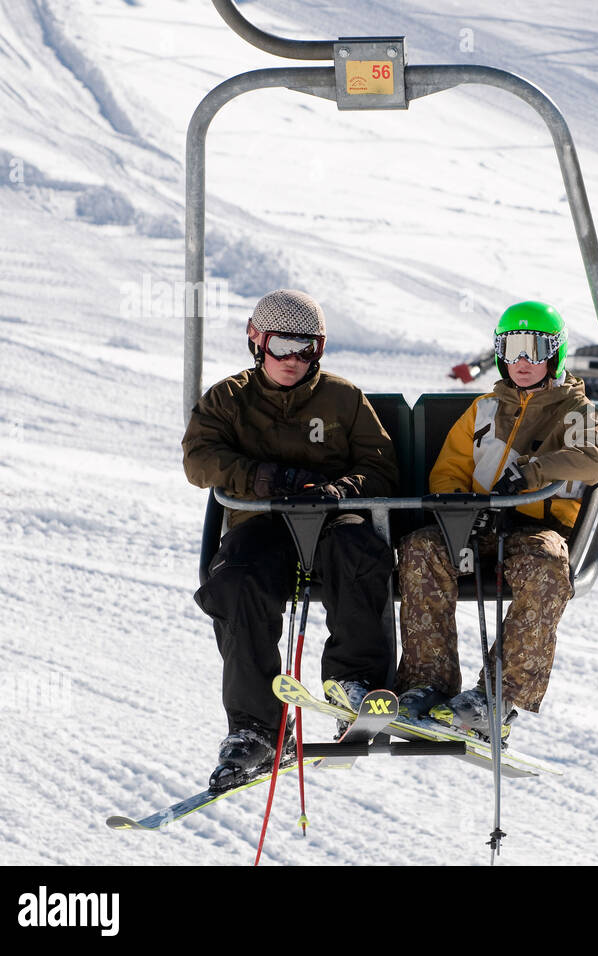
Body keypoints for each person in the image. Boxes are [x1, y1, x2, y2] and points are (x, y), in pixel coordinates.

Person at [183, 289, 400, 790]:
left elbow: (380, 465)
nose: (292, 360)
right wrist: (266, 480)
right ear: (257, 342)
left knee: (360, 554)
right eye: (281, 345)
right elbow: (200, 459)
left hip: (331, 522)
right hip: (262, 525)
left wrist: (342, 490)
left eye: (306, 348)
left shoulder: (343, 399)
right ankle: (256, 728)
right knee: (237, 583)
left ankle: (354, 685)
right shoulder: (229, 398)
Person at [393, 301, 598, 738]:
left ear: (555, 353)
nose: (522, 361)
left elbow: (590, 458)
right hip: (477, 525)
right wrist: (459, 508)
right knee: (420, 549)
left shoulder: (577, 410)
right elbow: (450, 468)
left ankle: (498, 695)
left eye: (533, 349)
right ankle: (426, 684)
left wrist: (532, 471)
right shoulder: (484, 409)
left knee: (548, 570)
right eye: (511, 349)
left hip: (533, 530)